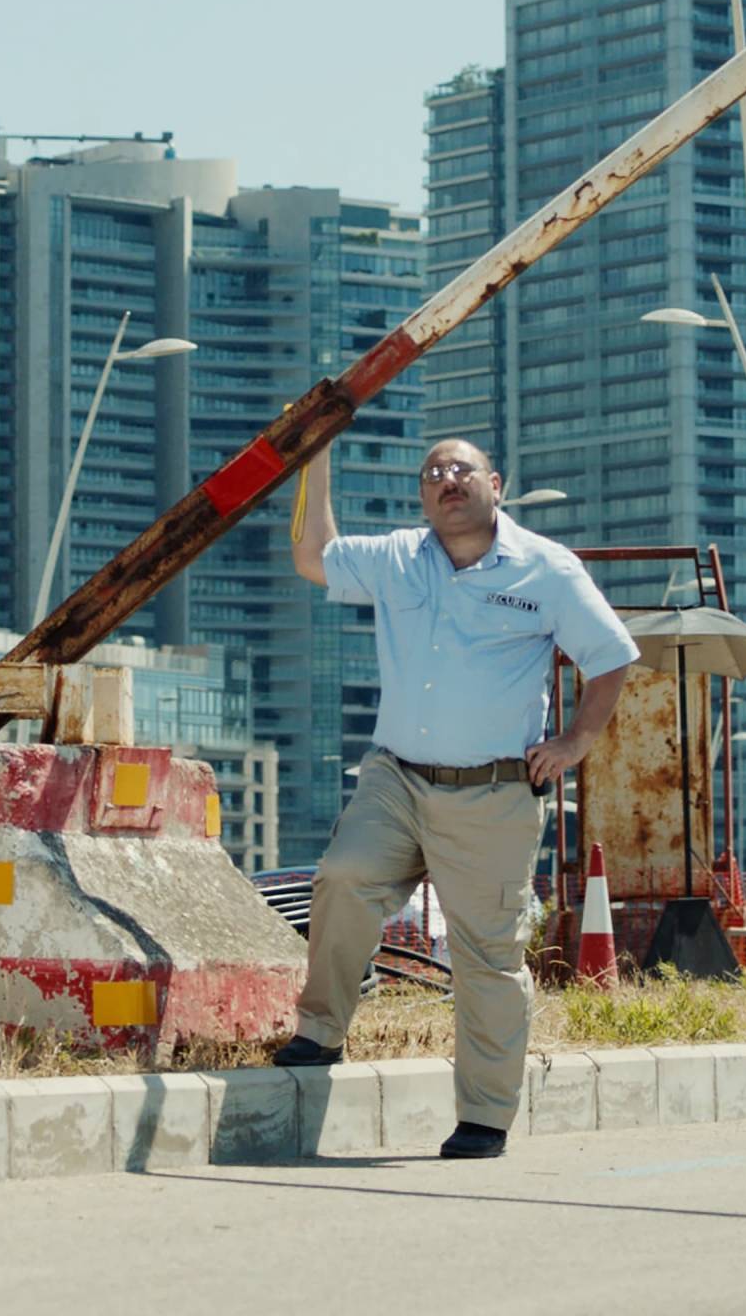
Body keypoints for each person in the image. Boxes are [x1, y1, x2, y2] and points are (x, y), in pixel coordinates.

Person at [276, 437, 639, 1159]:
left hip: (492, 793)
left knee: (487, 956)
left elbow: (612, 655)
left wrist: (575, 742)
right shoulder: (398, 557)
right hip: (396, 777)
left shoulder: (546, 569)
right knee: (343, 877)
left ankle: (484, 1116)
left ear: (495, 485)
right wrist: (314, 460)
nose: (446, 480)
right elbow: (314, 557)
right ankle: (320, 1032)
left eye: (460, 470)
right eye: (432, 473)